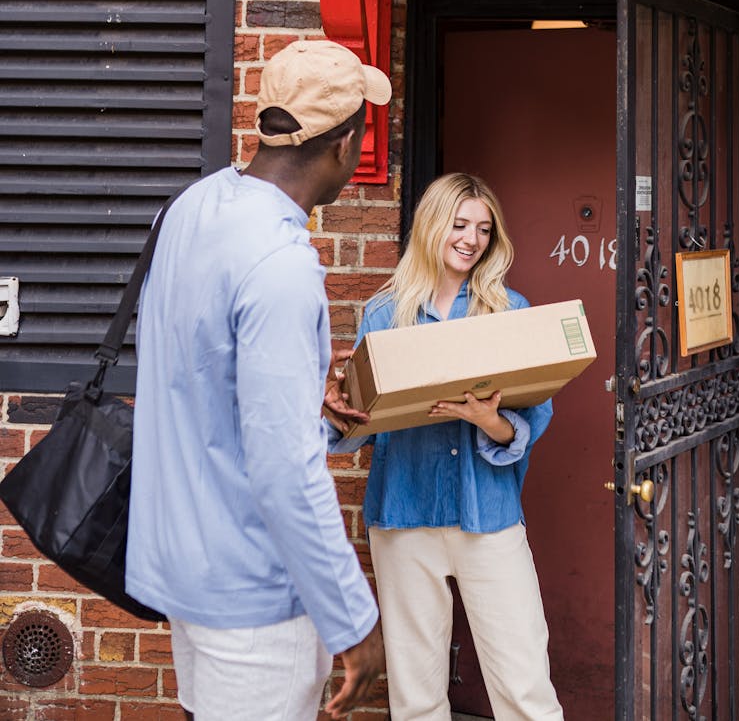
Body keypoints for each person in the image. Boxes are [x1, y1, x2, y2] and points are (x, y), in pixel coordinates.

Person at [126, 39, 390, 721]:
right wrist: (354, 619)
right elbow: (284, 471)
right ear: (344, 145)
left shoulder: (190, 208)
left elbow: (196, 378)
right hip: (254, 597)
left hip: (186, 564)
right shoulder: (281, 263)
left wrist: (306, 408)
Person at [327, 173, 564, 721]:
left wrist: (489, 420)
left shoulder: (509, 310)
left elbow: (533, 418)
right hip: (404, 513)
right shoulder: (384, 315)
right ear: (432, 226)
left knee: (524, 684)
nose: (471, 238)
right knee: (415, 694)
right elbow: (356, 426)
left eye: (483, 228)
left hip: (489, 515)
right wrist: (337, 408)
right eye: (459, 224)